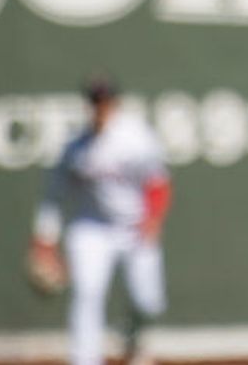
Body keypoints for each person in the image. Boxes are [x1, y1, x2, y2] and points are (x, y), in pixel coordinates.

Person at [31, 76, 172, 365]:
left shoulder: (136, 138)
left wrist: (154, 219)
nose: (100, 107)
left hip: (134, 226)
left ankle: (133, 340)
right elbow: (53, 197)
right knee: (87, 293)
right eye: (95, 101)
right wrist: (45, 240)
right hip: (91, 228)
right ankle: (84, 359)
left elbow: (159, 182)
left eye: (105, 101)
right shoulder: (76, 148)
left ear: (115, 103)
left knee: (148, 301)